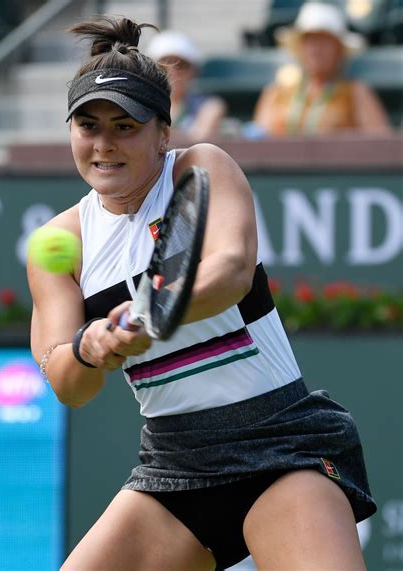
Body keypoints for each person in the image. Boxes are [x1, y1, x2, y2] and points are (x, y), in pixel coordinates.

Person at [27, 15, 376, 571]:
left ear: (163, 132)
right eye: (88, 125)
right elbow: (67, 385)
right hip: (172, 466)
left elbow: (230, 272)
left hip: (280, 447)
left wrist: (147, 314)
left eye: (125, 127)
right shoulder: (56, 243)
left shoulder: (203, 166)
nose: (104, 144)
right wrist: (88, 348)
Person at [252, 1, 392, 136]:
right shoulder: (275, 94)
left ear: (339, 50)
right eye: (310, 42)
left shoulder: (356, 93)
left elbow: (381, 144)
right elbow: (258, 141)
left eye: (324, 42)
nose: (316, 50)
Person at [146, 30, 227, 142]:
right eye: (163, 65)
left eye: (181, 65)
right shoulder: (141, 104)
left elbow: (201, 140)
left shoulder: (210, 106)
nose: (172, 71)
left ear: (194, 71)